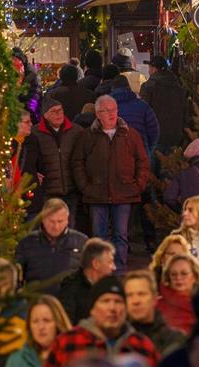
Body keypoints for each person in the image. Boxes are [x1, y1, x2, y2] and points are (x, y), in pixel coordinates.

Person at [73, 95, 149, 273]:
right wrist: (85, 186)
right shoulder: (88, 136)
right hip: (96, 193)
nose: (111, 114)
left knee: (120, 235)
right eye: (106, 110)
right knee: (98, 236)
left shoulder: (130, 134)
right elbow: (77, 162)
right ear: (98, 114)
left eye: (113, 109)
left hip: (124, 192)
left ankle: (119, 270)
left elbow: (142, 161)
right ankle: (100, 270)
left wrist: (138, 185)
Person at [45, 276, 161, 367]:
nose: (112, 308)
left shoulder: (142, 345)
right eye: (105, 301)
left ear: (125, 309)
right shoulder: (66, 342)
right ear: (92, 309)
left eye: (118, 301)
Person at [109, 75, 161, 252]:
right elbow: (154, 131)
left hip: (116, 161)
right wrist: (147, 150)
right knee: (145, 197)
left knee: (120, 200)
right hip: (141, 159)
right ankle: (150, 238)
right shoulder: (142, 106)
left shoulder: (109, 108)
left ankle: (123, 241)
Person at [22, 97, 85, 225]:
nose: (58, 114)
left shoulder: (76, 131)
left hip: (71, 190)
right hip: (48, 191)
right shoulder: (35, 133)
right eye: (54, 111)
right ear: (45, 115)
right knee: (51, 226)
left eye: (60, 110)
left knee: (69, 227)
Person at [15, 198, 88, 296]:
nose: (56, 226)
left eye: (60, 221)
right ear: (43, 219)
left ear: (67, 220)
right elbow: (16, 277)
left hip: (71, 302)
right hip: (36, 301)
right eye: (51, 221)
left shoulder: (81, 242)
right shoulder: (27, 243)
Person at [123, 270, 186, 356]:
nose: (136, 301)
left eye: (141, 294)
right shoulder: (115, 340)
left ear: (154, 298)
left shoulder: (176, 340)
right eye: (129, 295)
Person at [57, 238, 116, 324]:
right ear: (96, 264)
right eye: (110, 262)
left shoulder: (111, 287)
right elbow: (66, 324)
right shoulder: (70, 288)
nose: (114, 267)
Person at [5, 295, 73, 367]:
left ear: (58, 323)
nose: (41, 327)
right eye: (35, 321)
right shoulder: (17, 360)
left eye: (46, 320)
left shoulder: (74, 356)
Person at [139, 55, 188, 152]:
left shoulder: (148, 86)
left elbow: (143, 111)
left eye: (150, 68)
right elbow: (185, 112)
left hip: (155, 136)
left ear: (154, 69)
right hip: (175, 136)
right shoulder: (178, 87)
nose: (148, 71)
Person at [156, 254, 199, 335]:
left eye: (184, 273)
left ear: (195, 276)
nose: (178, 278)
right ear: (168, 277)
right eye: (173, 274)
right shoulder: (155, 305)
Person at [13, 47, 42, 124]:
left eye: (15, 59)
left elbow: (35, 95)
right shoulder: (16, 73)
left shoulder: (32, 75)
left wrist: (24, 107)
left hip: (29, 114)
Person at [8, 110, 33, 192]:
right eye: (27, 122)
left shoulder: (25, 143)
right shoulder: (10, 146)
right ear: (17, 124)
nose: (31, 124)